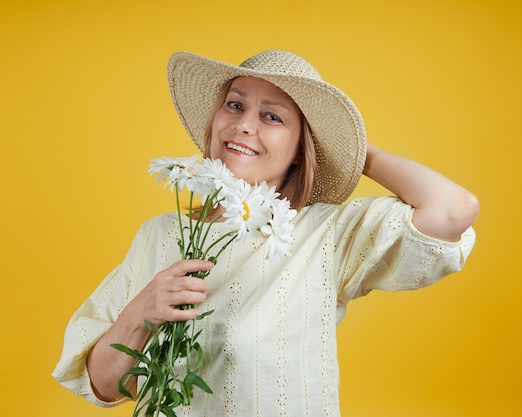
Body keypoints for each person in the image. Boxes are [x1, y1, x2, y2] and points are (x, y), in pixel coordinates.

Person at [52, 49, 479, 416]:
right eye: (235, 106)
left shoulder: (324, 233)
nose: (244, 125)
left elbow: (452, 211)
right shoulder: (159, 235)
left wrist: (357, 153)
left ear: (299, 151)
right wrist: (141, 312)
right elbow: (102, 386)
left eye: (272, 117)